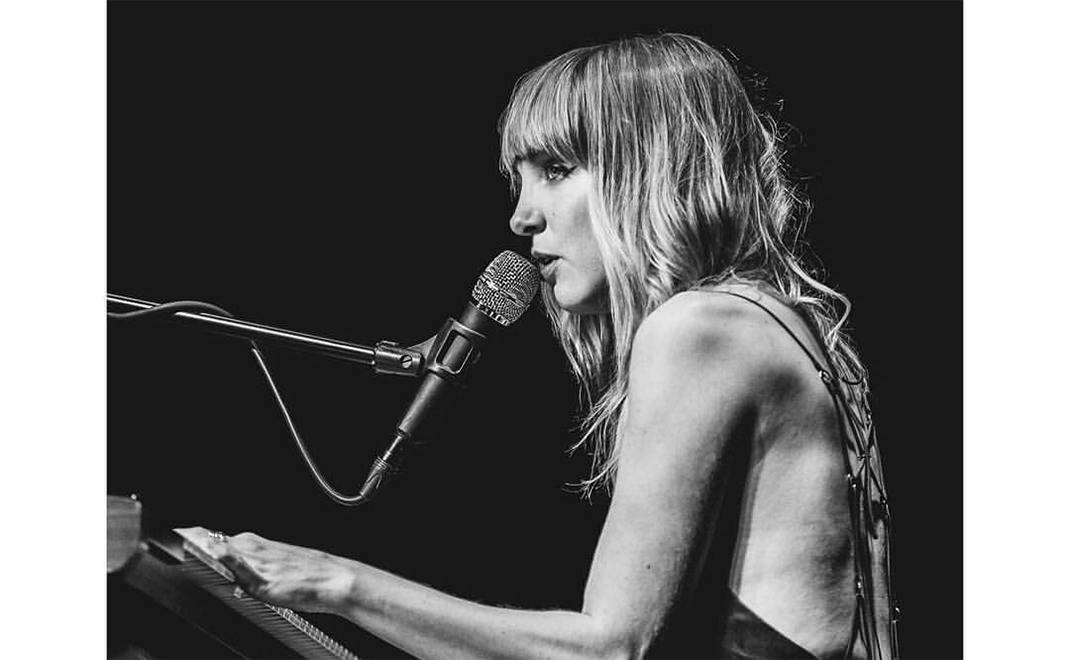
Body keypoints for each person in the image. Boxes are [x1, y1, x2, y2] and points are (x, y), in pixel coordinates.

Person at [187, 33, 899, 659]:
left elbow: (608, 649)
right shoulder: (786, 329)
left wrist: (333, 581)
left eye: (555, 170)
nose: (521, 216)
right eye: (517, 181)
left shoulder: (697, 330)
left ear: (649, 166)